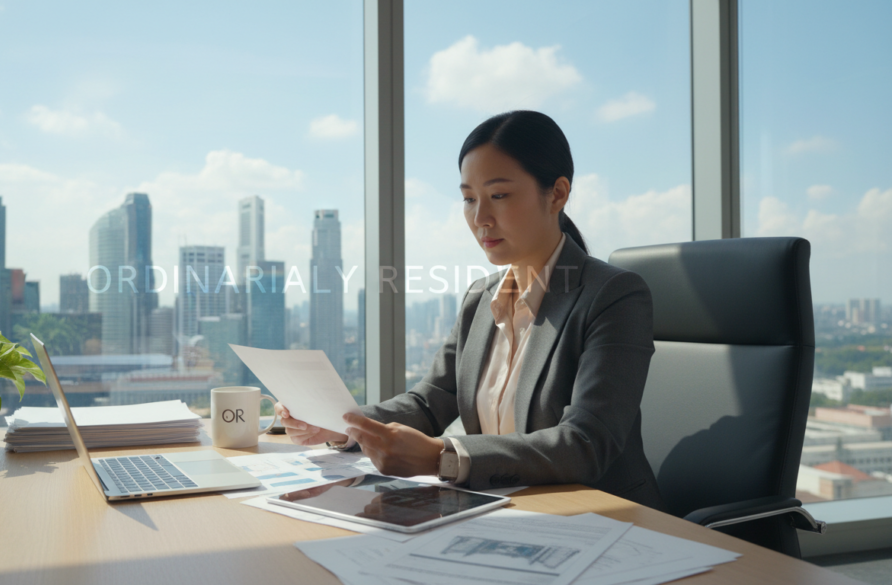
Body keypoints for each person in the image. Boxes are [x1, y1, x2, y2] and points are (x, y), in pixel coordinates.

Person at [277, 110, 665, 510]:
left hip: (603, 519)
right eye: (468, 198)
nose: (480, 218)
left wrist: (442, 456)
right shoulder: (480, 299)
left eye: (499, 195)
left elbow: (585, 443)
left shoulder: (613, 296)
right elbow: (430, 402)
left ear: (558, 193)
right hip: (501, 511)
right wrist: (341, 423)